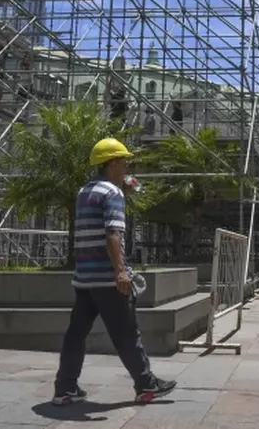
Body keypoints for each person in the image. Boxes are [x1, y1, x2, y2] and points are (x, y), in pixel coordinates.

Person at [53, 138, 176, 406]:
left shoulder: (85, 191)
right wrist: (120, 271)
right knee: (127, 334)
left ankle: (65, 388)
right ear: (112, 164)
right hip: (108, 279)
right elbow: (112, 233)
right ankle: (145, 385)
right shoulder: (112, 194)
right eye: (124, 162)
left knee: (76, 334)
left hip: (84, 278)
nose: (127, 168)